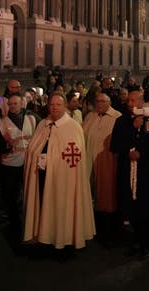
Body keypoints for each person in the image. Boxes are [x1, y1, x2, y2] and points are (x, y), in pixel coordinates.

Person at [23, 92, 95, 253]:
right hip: (41, 177)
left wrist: (52, 161)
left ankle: (63, 239)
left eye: (58, 105)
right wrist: (37, 158)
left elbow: (75, 159)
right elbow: (33, 149)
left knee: (61, 209)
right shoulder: (43, 124)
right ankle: (44, 237)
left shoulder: (73, 127)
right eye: (52, 105)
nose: (54, 108)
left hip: (63, 180)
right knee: (43, 206)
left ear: (65, 106)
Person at [110, 89, 149, 258]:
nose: (130, 104)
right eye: (129, 101)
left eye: (134, 101)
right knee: (131, 209)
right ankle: (136, 238)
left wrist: (142, 153)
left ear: (142, 102)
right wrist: (131, 136)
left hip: (146, 174)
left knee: (146, 209)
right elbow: (115, 145)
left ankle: (147, 241)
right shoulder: (121, 121)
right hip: (127, 172)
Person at [0, 94, 37, 243]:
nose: (13, 106)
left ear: (21, 104)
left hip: (29, 162)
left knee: (29, 193)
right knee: (10, 196)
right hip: (10, 164)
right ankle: (15, 226)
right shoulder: (0, 123)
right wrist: (6, 146)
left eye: (15, 103)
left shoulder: (31, 119)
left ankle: (29, 222)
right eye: (10, 104)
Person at [82, 92, 122, 241]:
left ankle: (110, 225)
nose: (99, 104)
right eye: (97, 101)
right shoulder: (90, 117)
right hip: (88, 159)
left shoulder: (117, 117)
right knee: (91, 189)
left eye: (102, 101)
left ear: (109, 102)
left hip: (108, 159)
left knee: (107, 191)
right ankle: (93, 221)